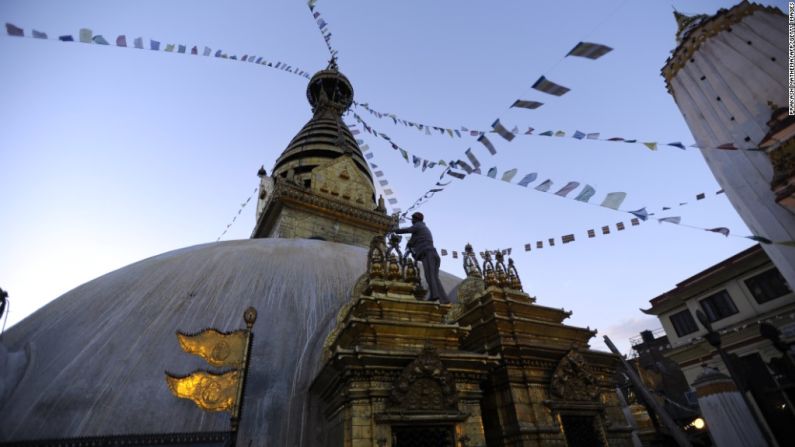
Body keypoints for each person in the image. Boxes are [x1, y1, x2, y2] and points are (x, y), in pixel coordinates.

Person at [393, 212, 449, 303]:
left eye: (413, 219)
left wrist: (395, 229)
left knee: (430, 276)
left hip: (428, 254)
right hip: (431, 254)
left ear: (416, 219)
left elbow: (407, 230)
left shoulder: (419, 226)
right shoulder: (420, 230)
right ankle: (443, 299)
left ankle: (435, 295)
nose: (412, 220)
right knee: (433, 277)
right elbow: (411, 243)